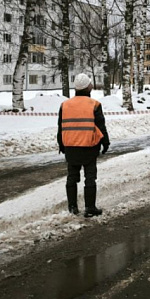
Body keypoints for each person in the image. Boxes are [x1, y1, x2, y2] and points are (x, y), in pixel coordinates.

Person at [57, 73, 110, 217]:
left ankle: (72, 207)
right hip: (89, 147)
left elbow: (61, 127)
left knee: (71, 177)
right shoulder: (94, 104)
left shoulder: (65, 105)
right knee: (90, 177)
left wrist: (61, 145)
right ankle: (90, 208)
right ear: (88, 87)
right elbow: (100, 126)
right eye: (90, 84)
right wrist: (105, 142)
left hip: (71, 147)